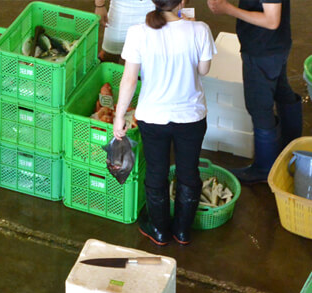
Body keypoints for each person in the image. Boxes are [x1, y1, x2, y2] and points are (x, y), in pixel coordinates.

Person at [113, 0, 216, 246]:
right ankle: (182, 231)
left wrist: (119, 116)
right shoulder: (199, 29)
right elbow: (204, 70)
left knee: (156, 173)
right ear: (182, 2)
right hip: (191, 117)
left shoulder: (138, 32)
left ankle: (159, 231)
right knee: (188, 173)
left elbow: (129, 80)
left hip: (153, 118)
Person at [207, 0, 301, 185]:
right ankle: (290, 147)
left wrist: (228, 9)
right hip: (276, 45)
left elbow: (272, 20)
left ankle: (264, 168)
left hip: (263, 49)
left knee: (259, 106)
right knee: (281, 90)